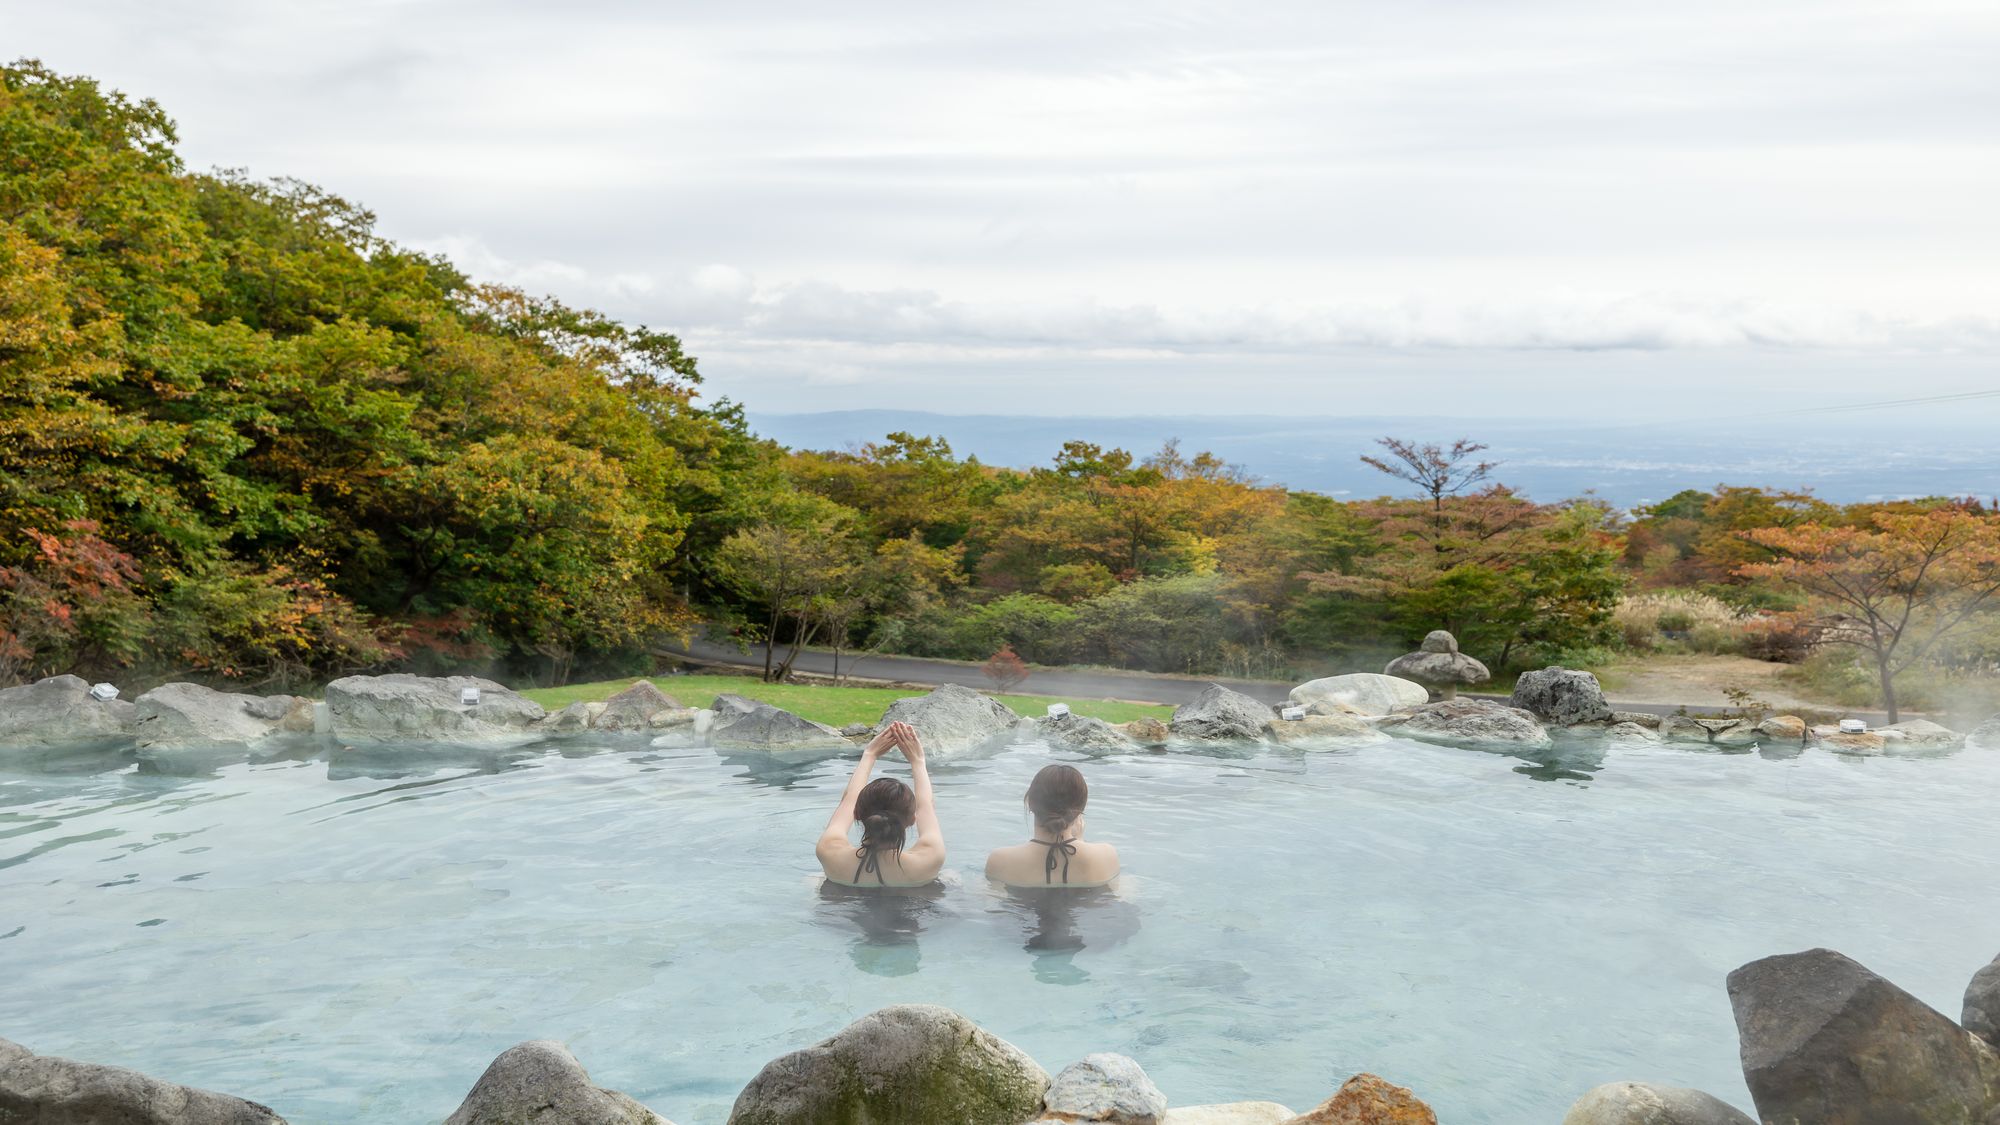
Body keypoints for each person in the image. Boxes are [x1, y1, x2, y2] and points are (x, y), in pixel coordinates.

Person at [816, 721, 945, 887]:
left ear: (857, 814)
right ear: (913, 819)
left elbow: (848, 799)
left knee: (815, 879)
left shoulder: (829, 852)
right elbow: (926, 805)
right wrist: (918, 761)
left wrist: (869, 754)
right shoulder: (930, 859)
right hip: (912, 905)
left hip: (845, 901)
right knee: (950, 876)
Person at [984, 763, 1119, 887]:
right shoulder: (1106, 855)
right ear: (1080, 810)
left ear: (1030, 803)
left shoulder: (1000, 860)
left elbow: (989, 902)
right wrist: (1079, 841)